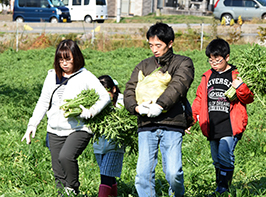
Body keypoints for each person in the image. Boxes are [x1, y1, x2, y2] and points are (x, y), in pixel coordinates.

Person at [21, 39, 111, 196]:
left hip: (79, 128)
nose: (64, 63)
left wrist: (90, 112)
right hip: (54, 129)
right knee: (58, 172)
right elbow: (43, 102)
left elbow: (105, 97)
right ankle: (63, 193)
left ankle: (73, 188)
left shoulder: (85, 76)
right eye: (61, 60)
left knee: (66, 156)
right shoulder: (51, 76)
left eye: (67, 59)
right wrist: (32, 124)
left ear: (76, 57)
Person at [124, 22, 195, 197]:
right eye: (151, 45)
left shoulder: (183, 63)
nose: (154, 49)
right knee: (142, 175)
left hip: (172, 123)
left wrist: (160, 105)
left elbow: (178, 86)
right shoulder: (143, 65)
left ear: (170, 43)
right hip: (146, 124)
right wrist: (136, 108)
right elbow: (129, 90)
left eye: (158, 45)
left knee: (173, 172)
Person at [191, 38, 254, 195]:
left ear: (227, 57)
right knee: (216, 159)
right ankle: (220, 186)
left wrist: (240, 87)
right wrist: (192, 118)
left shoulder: (237, 75)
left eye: (217, 60)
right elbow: (199, 99)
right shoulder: (207, 76)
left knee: (225, 155)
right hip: (212, 124)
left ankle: (223, 189)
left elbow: (249, 98)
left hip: (230, 124)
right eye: (211, 60)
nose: (214, 63)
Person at [93, 75, 125, 197]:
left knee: (105, 176)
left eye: (106, 90)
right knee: (108, 174)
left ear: (114, 89)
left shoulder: (121, 102)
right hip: (99, 145)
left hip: (115, 145)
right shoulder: (96, 103)